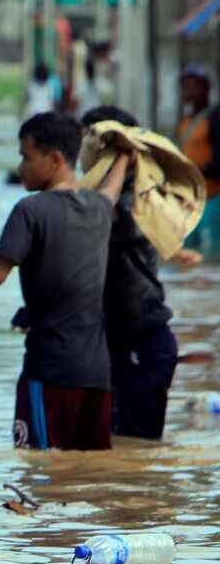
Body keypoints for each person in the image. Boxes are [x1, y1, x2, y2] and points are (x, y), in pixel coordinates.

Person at [0, 112, 131, 451]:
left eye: (26, 156)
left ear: (54, 160)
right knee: (88, 479)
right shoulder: (97, 208)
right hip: (97, 376)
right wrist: (125, 156)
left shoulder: (30, 211)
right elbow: (110, 191)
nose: (20, 166)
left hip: (50, 371)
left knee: (38, 474)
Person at [81, 106, 179, 441]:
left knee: (134, 452)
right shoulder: (106, 201)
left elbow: (93, 228)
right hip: (114, 344)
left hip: (140, 343)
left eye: (88, 144)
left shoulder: (130, 203)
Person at [176, 65, 220, 254]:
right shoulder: (185, 122)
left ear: (206, 89)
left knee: (210, 253)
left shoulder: (215, 118)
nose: (189, 91)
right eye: (186, 86)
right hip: (189, 201)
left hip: (212, 197)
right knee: (187, 252)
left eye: (195, 86)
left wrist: (195, 172)